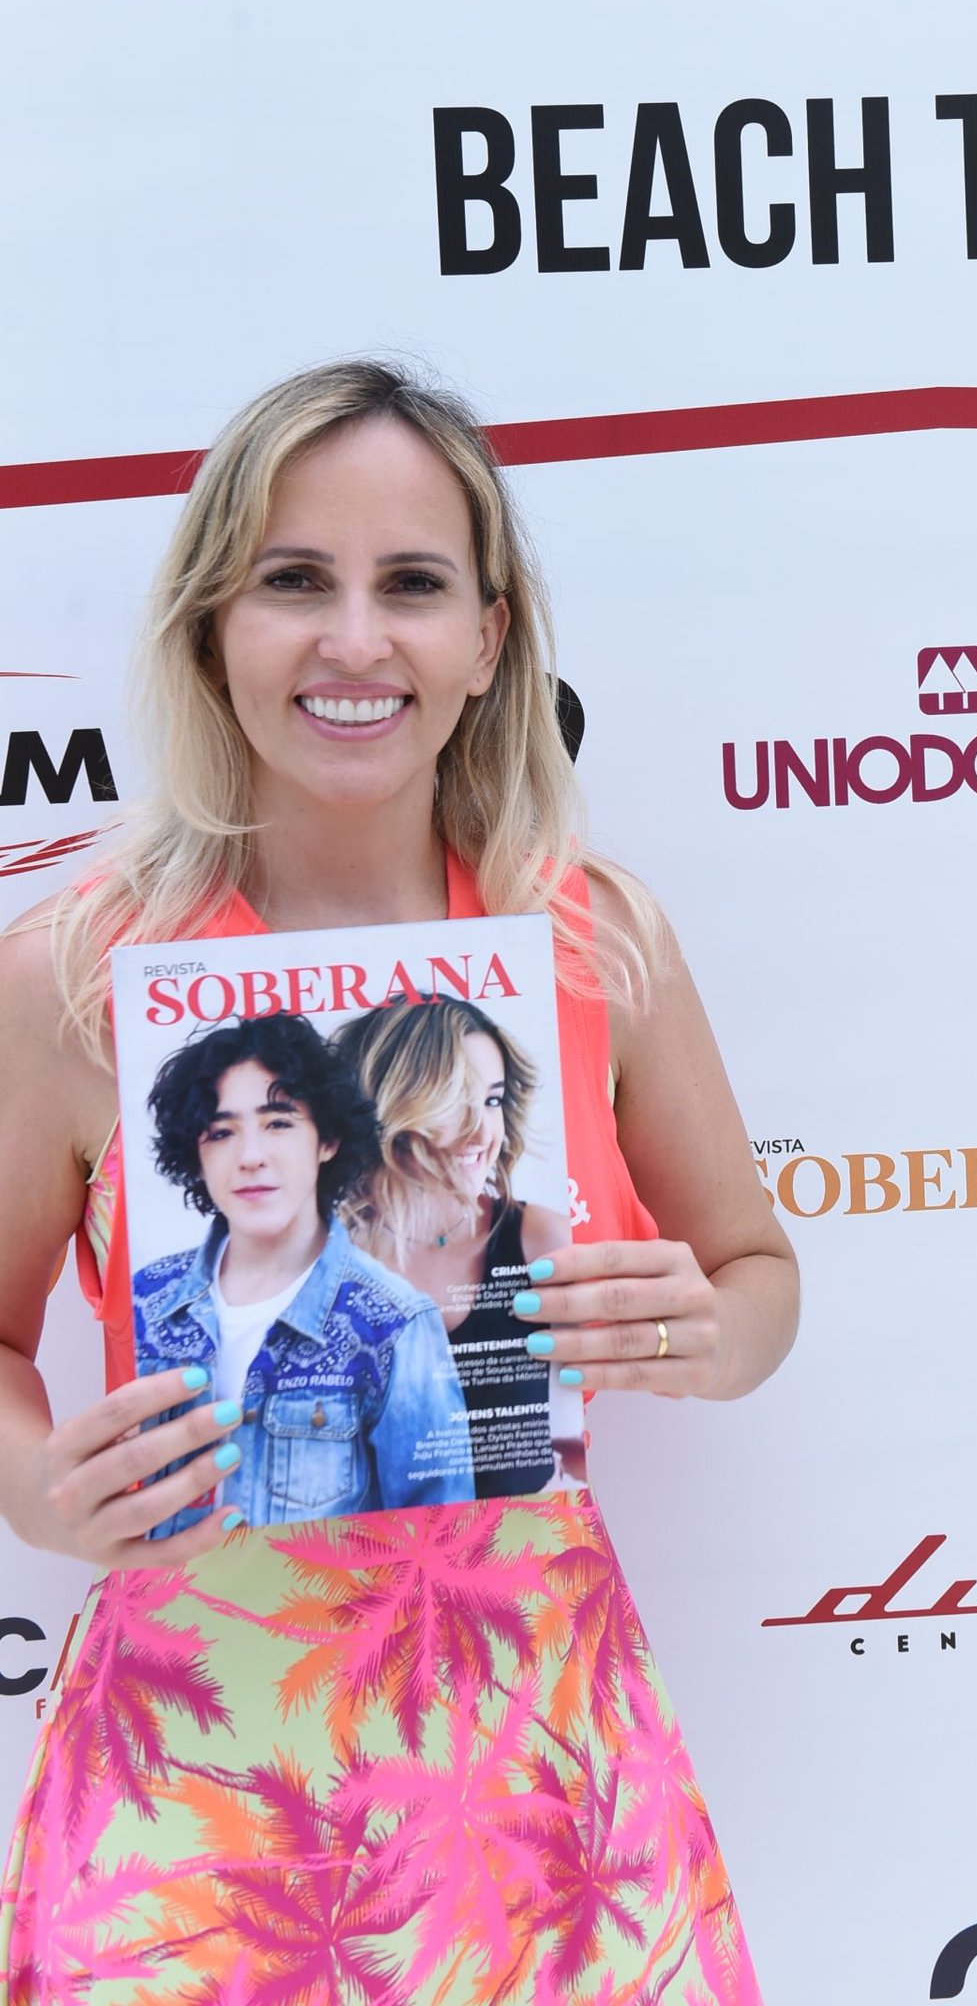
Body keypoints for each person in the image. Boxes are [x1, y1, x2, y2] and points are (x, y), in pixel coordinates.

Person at [0, 359, 797, 2002]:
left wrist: (709, 1336)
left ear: (488, 640)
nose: (355, 641)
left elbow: (756, 1274)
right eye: (295, 581)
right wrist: (30, 1486)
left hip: (535, 1764)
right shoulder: (71, 981)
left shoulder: (597, 943)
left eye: (413, 585)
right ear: (212, 627)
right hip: (197, 1780)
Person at [134, 1012, 475, 1529]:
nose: (251, 1156)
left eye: (278, 1123)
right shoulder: (147, 1300)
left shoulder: (394, 1321)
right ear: (196, 1155)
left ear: (327, 1140)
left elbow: (441, 1532)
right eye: (221, 1132)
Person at [332, 996, 576, 1496]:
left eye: (491, 1100)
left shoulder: (540, 1241)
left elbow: (567, 1451)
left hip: (517, 1539)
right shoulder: (319, 1260)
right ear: (388, 1104)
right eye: (453, 1101)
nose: (482, 1132)